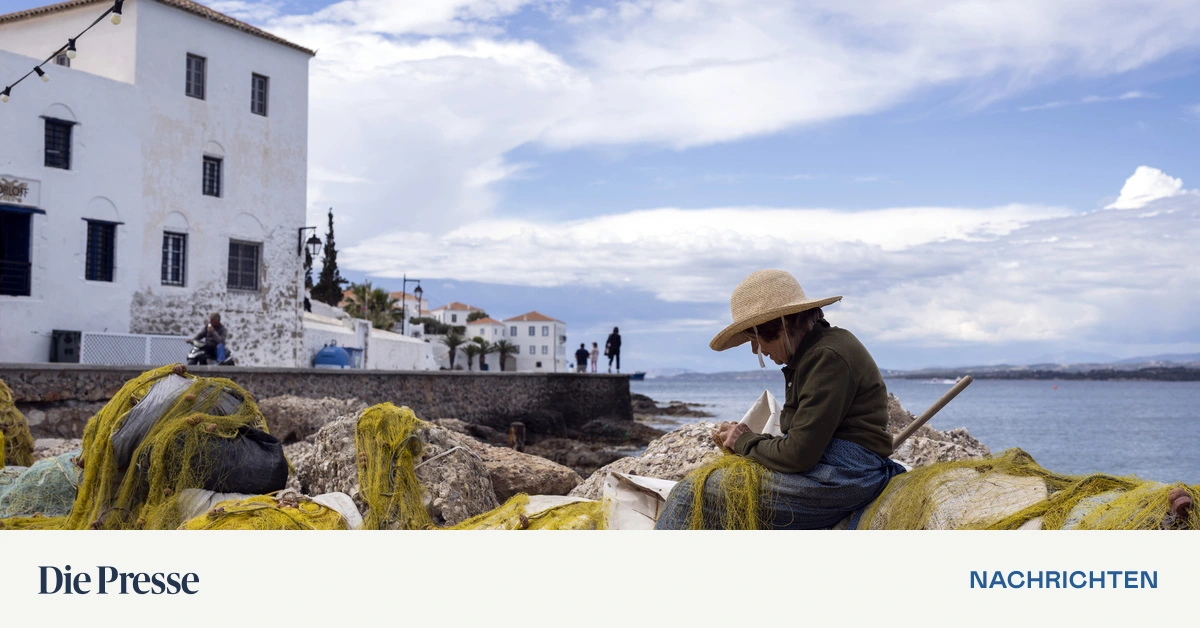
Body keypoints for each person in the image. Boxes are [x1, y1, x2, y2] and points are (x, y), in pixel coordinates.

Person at [654, 270, 905, 529]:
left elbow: (798, 455)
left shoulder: (827, 357)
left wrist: (744, 441)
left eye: (756, 338)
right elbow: (800, 443)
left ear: (782, 325)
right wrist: (747, 439)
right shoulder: (814, 354)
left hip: (844, 477)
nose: (756, 349)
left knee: (690, 495)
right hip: (831, 468)